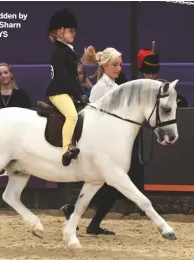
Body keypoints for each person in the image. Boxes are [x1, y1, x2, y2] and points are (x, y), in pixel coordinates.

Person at [61, 46, 126, 235]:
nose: (118, 69)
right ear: (104, 66)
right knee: (109, 186)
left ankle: (81, 214)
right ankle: (86, 219)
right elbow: (93, 118)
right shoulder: (100, 88)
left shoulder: (114, 86)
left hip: (109, 144)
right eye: (114, 65)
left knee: (109, 187)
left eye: (120, 65)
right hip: (99, 145)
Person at [45, 8, 88, 167]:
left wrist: (81, 94)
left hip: (66, 90)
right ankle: (66, 149)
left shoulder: (66, 51)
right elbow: (64, 78)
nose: (74, 33)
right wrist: (78, 94)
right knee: (72, 116)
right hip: (59, 92)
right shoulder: (59, 52)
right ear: (60, 32)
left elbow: (74, 78)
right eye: (71, 30)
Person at [137, 43, 188, 107]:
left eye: (153, 73)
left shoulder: (164, 86)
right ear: (141, 73)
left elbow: (180, 101)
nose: (151, 77)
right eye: (147, 73)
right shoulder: (136, 89)